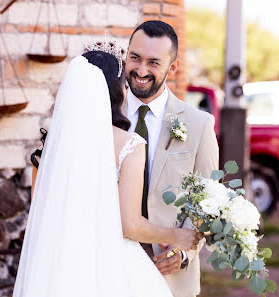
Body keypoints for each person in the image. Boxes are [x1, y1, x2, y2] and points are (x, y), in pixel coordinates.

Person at [13, 44, 202, 296]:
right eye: (124, 83)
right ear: (114, 91)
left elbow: (42, 217)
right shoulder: (129, 145)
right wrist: (176, 236)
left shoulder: (49, 150)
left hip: (57, 265)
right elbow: (130, 225)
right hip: (110, 265)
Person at [123, 21, 219, 297]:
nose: (141, 71)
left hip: (168, 275)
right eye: (135, 58)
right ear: (125, 56)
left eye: (154, 62)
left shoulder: (199, 125)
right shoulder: (103, 115)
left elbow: (206, 200)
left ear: (173, 67)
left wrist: (183, 251)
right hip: (109, 265)